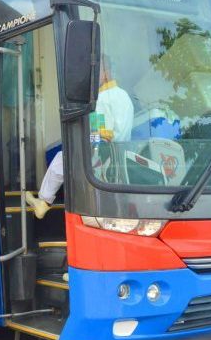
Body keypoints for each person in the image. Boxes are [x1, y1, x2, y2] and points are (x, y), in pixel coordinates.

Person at [25, 55, 134, 219]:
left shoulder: (102, 99)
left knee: (60, 160)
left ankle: (43, 201)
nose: (91, 79)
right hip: (117, 155)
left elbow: (101, 135)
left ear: (105, 72)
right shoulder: (124, 96)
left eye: (95, 73)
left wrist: (82, 144)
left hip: (102, 156)